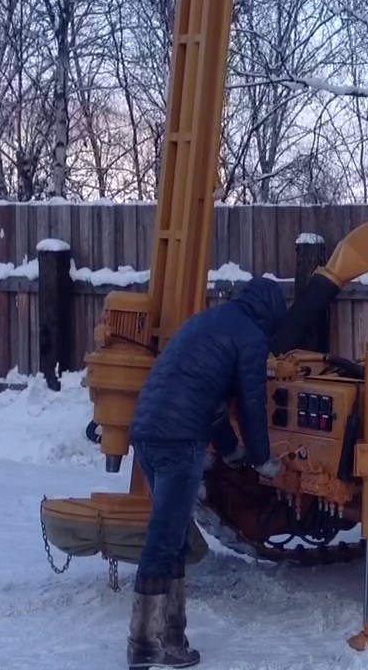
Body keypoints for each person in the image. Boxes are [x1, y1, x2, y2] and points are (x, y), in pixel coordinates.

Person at [125, 276, 287, 668]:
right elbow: (251, 404)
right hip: (179, 441)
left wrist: (231, 451)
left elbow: (208, 400)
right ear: (270, 315)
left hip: (148, 432)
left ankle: (172, 638)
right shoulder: (250, 336)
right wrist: (262, 459)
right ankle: (144, 645)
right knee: (165, 539)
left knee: (175, 535)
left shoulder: (208, 322)